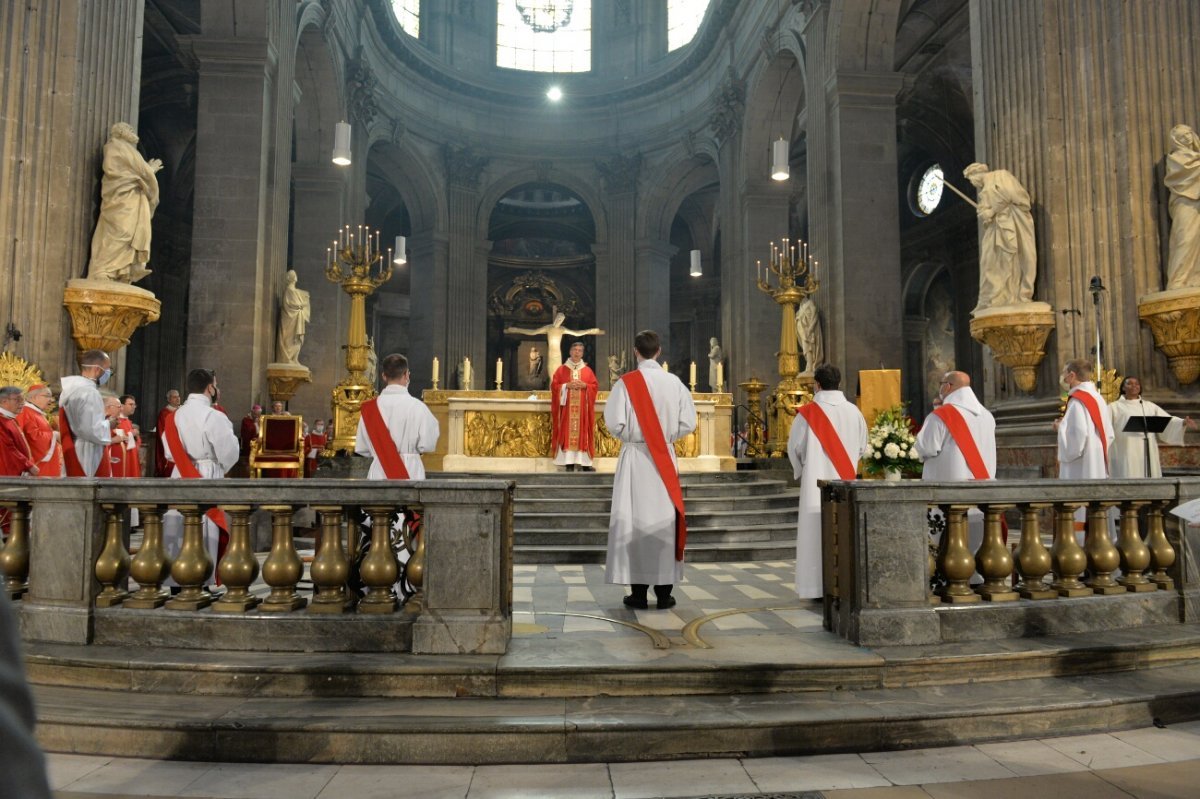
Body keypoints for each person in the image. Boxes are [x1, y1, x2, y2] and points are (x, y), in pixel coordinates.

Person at [604, 330, 697, 611]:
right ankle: (664, 593)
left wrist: (634, 436)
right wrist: (665, 437)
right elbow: (688, 423)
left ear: (636, 352)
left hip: (635, 459)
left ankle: (638, 593)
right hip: (663, 459)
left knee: (634, 520)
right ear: (658, 352)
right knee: (665, 520)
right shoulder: (675, 383)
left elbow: (614, 424)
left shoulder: (625, 384)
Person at [786, 364, 868, 600]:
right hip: (846, 482)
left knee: (816, 533)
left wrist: (805, 467)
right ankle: (845, 584)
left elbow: (796, 449)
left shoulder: (808, 413)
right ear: (839, 383)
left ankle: (816, 587)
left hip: (815, 485)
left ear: (817, 384)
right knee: (843, 532)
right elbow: (862, 447)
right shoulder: (854, 412)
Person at [162, 369, 240, 576]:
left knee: (179, 525)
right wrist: (220, 467)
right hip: (207, 473)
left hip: (180, 472)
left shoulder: (174, 416)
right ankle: (201, 577)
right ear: (210, 388)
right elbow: (229, 452)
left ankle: (177, 578)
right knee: (205, 526)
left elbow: (169, 452)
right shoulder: (213, 416)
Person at [915, 371, 997, 558]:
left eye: (941, 383)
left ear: (947, 387)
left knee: (946, 546)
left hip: (948, 494)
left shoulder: (942, 415)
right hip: (981, 492)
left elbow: (924, 448)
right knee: (976, 543)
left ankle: (945, 578)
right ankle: (977, 577)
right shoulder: (986, 415)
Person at [86, 122, 162, 284]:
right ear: (119, 132)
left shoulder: (127, 150)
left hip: (133, 197)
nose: (132, 131)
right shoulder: (115, 147)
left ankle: (122, 271)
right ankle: (103, 270)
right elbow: (120, 171)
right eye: (129, 129)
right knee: (120, 232)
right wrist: (147, 173)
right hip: (120, 199)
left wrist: (147, 172)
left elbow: (139, 171)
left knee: (131, 233)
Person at [964, 162, 1037, 313]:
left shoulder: (1000, 176)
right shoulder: (984, 190)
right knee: (989, 260)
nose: (973, 183)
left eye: (971, 179)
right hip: (996, 228)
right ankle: (997, 297)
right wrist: (985, 214)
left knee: (1010, 258)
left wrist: (991, 211)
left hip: (1010, 224)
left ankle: (1014, 295)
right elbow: (988, 210)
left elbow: (1013, 196)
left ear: (976, 173)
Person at [355, 353, 440, 480]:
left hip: (379, 472)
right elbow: (428, 444)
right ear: (406, 375)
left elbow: (363, 448)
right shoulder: (418, 407)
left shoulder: (370, 410)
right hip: (410, 472)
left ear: (384, 376)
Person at [1108, 376, 1196, 478]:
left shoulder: (1148, 406)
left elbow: (1166, 420)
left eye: (1137, 384)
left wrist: (1182, 422)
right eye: (1130, 383)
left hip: (1147, 449)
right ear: (1123, 388)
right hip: (1125, 450)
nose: (1134, 386)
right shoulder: (1114, 407)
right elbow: (1105, 426)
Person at [59, 349, 114, 477]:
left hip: (76, 446)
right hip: (88, 451)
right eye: (107, 369)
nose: (108, 373)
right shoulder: (89, 392)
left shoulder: (71, 390)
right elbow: (91, 429)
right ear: (97, 369)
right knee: (89, 491)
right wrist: (108, 424)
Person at [1056, 359, 1113, 479]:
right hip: (1096, 456)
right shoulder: (1097, 397)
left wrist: (1060, 427)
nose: (1062, 377)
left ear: (1072, 375)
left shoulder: (1077, 400)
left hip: (1081, 462)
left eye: (1064, 373)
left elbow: (1078, 435)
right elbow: (1109, 432)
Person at [505, 308, 605, 377]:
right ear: (556, 318)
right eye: (558, 319)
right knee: (551, 374)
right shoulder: (548, 328)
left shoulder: (562, 329)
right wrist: (515, 330)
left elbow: (576, 333)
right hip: (551, 354)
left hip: (558, 354)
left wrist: (591, 331)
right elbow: (532, 332)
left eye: (561, 320)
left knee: (557, 374)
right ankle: (551, 393)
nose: (559, 321)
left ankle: (555, 393)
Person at [550, 341, 599, 471]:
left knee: (583, 433)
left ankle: (585, 463)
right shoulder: (561, 370)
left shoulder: (588, 371)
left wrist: (586, 386)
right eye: (575, 350)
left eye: (580, 350)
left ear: (582, 353)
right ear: (570, 351)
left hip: (583, 411)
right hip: (567, 411)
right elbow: (554, 387)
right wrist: (566, 386)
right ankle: (569, 463)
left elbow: (594, 387)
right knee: (567, 433)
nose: (577, 352)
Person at [1165, 123, 1200, 290]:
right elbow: (1181, 179)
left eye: (1188, 134)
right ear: (1175, 141)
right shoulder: (1175, 159)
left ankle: (1194, 278)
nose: (1186, 138)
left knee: (1197, 241)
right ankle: (1177, 281)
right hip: (1184, 204)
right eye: (1181, 137)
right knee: (1184, 238)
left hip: (1197, 203)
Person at [17, 384, 62, 478]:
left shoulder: (37, 413)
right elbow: (31, 437)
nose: (51, 400)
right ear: (34, 397)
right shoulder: (25, 411)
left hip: (48, 465)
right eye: (47, 396)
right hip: (39, 466)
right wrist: (55, 435)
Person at [0, 387, 36, 477]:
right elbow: (7, 448)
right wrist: (28, 465)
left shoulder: (10, 419)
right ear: (4, 401)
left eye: (23, 399)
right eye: (18, 399)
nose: (22, 403)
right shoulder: (1, 421)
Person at [276, 269, 311, 364]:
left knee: (297, 340)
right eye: (294, 275)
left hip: (296, 318)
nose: (295, 277)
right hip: (291, 319)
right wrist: (305, 300)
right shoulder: (290, 290)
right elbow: (295, 304)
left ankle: (294, 358)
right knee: (291, 339)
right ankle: (288, 358)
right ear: (293, 278)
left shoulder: (294, 291)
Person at [154, 389, 181, 477]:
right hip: (170, 447)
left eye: (178, 397)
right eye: (174, 397)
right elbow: (162, 433)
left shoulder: (182, 412)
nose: (177, 399)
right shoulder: (164, 413)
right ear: (169, 399)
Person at [795, 298, 824, 375]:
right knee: (806, 349)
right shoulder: (801, 306)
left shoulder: (810, 303)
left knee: (809, 348)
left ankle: (810, 367)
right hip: (803, 331)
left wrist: (810, 328)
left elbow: (815, 316)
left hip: (808, 331)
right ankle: (809, 366)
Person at [102, 395, 130, 477]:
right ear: (110, 407)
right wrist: (114, 440)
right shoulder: (101, 421)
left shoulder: (110, 421)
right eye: (119, 407)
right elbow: (95, 440)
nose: (121, 409)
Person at [118, 394, 141, 477]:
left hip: (132, 456)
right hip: (125, 458)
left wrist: (135, 436)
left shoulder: (127, 421)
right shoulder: (117, 422)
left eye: (134, 405)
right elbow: (119, 440)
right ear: (122, 406)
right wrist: (132, 433)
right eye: (131, 404)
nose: (134, 407)